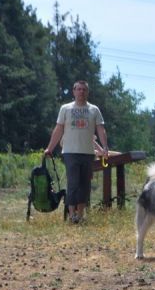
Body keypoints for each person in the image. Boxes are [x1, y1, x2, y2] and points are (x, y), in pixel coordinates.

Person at [44, 80, 108, 223]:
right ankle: (72, 214)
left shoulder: (94, 110)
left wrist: (104, 147)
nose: (81, 92)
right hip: (70, 152)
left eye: (84, 89)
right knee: (73, 183)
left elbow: (101, 129)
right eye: (78, 89)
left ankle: (80, 214)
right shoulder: (65, 109)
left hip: (88, 152)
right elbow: (58, 129)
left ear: (87, 92)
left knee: (85, 184)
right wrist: (50, 148)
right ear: (73, 92)